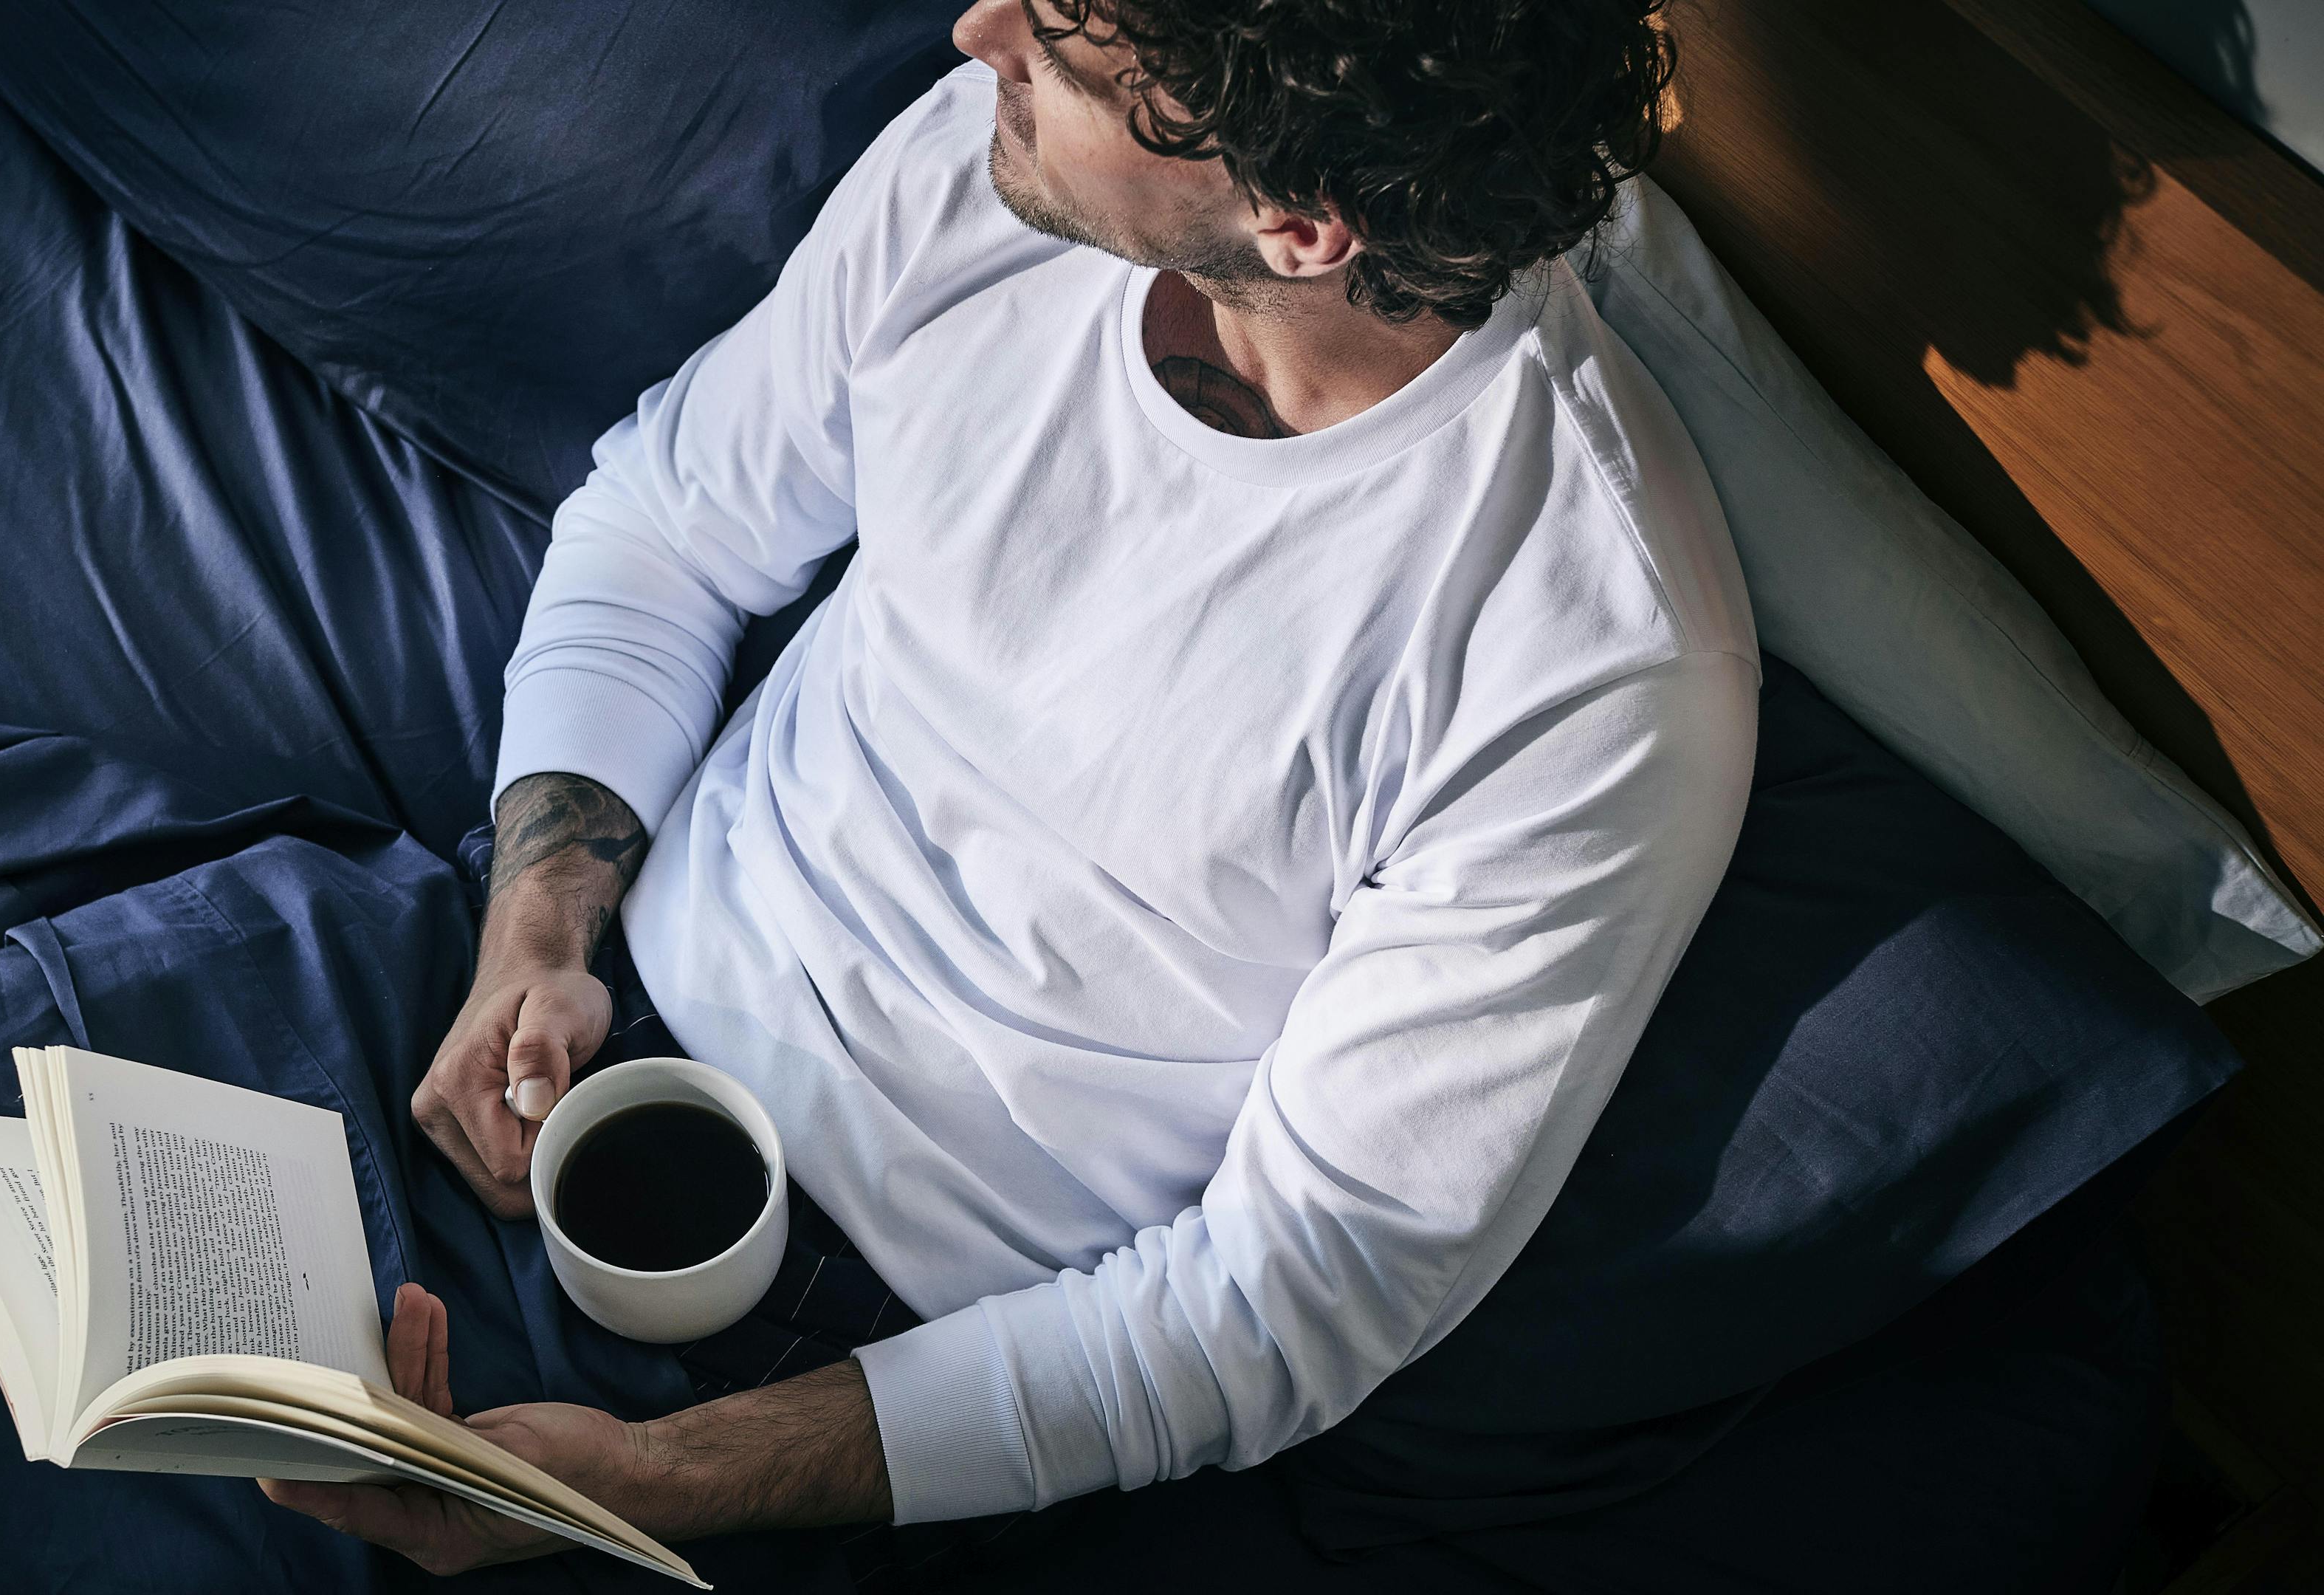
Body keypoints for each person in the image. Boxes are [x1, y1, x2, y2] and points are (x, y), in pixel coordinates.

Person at [268, 0, 1754, 1575]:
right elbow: (666, 530)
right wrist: (538, 927)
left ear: (1302, 225)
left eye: (1063, 54)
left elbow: (1293, 1294)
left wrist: (646, 1483)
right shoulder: (990, 173)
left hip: (867, 1375)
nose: (979, 30)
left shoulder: (1589, 662)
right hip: (524, 1004)